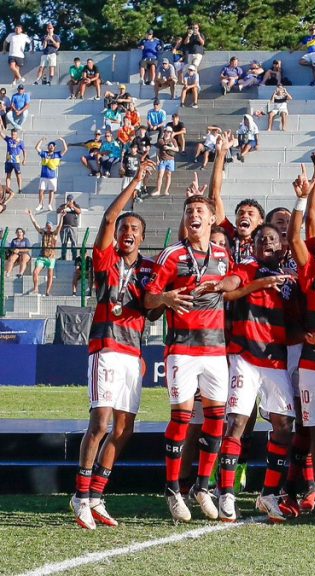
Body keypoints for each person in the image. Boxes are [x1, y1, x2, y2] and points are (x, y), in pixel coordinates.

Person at [144, 144, 241, 523]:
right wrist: (164, 297)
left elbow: (232, 282)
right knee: (183, 417)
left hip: (216, 349)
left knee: (217, 419)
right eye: (189, 211)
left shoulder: (221, 255)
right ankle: (172, 489)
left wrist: (229, 281)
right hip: (182, 348)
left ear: (213, 218)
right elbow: (149, 300)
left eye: (200, 210)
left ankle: (203, 484)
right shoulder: (172, 255)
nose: (194, 214)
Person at [70, 161, 156, 530]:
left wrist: (164, 299)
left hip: (131, 352)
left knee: (125, 427)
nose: (127, 232)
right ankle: (80, 494)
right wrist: (135, 182)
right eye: (124, 227)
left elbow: (151, 312)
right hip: (105, 347)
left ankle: (98, 495)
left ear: (142, 237)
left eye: (134, 229)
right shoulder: (106, 261)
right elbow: (106, 219)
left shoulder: (148, 269)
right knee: (100, 422)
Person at [218, 223, 300, 523]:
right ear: (253, 247)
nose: (266, 242)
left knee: (284, 424)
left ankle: (268, 495)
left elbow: (296, 318)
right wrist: (222, 284)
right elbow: (229, 289)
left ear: (282, 246)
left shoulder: (290, 279)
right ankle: (225, 493)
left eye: (272, 239)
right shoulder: (248, 267)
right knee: (238, 420)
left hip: (275, 358)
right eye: (260, 239)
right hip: (245, 356)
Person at [26, 209, 62, 295]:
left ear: (51, 227)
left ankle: (47, 291)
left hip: (51, 257)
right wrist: (31, 215)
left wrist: (61, 217)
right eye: (47, 226)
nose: (48, 228)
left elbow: (60, 226)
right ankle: (36, 289)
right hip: (42, 256)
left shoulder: (54, 234)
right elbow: (35, 224)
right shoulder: (43, 233)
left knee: (50, 275)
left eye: (50, 227)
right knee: (35, 272)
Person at [35, 138, 67, 211]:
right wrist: (41, 140)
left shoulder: (57, 154)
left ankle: (49, 204)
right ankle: (40, 204)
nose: (51, 147)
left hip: (52, 176)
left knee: (51, 190)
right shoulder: (44, 154)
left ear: (54, 147)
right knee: (41, 190)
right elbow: (37, 148)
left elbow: (65, 149)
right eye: (50, 145)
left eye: (53, 146)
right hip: (44, 175)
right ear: (48, 147)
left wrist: (63, 141)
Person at [154, 127, 179, 197]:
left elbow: (177, 149)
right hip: (162, 159)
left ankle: (166, 190)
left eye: (169, 132)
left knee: (168, 174)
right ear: (164, 132)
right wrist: (157, 159)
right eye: (166, 132)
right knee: (160, 175)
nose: (168, 133)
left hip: (170, 159)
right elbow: (157, 151)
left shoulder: (173, 140)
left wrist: (169, 148)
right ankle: (158, 190)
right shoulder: (160, 140)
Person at [57, 193, 82, 260]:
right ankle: (63, 257)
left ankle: (74, 257)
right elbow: (57, 211)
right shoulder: (63, 205)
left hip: (73, 227)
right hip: (64, 226)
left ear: (73, 200)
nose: (69, 201)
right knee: (64, 243)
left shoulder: (76, 205)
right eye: (68, 199)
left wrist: (73, 206)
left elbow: (79, 212)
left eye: (70, 200)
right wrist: (64, 207)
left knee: (74, 243)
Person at [5, 127, 25, 194]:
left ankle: (20, 189)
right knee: (8, 175)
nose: (13, 136)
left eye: (14, 134)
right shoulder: (9, 139)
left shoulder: (20, 142)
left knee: (18, 175)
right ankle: (7, 189)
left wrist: (24, 159)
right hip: (8, 160)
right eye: (12, 134)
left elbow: (24, 150)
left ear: (17, 135)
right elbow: (1, 134)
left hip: (16, 161)